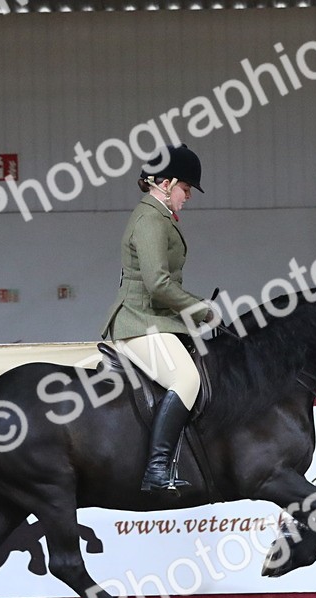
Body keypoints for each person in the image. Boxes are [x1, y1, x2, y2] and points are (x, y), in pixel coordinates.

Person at [102, 144, 215, 495]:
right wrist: (201, 309)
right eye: (185, 189)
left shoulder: (158, 216)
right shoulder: (150, 218)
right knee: (185, 379)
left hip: (154, 319)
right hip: (139, 321)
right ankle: (156, 469)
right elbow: (158, 284)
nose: (188, 197)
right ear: (166, 184)